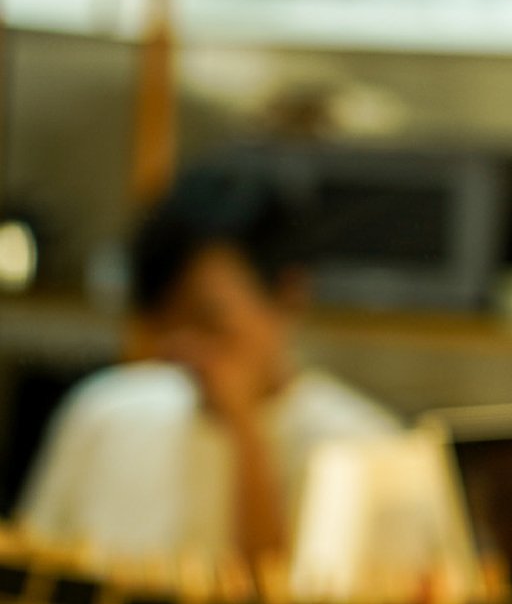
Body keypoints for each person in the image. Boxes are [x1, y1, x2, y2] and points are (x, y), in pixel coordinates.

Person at [13, 165, 399, 570]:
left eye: (208, 322)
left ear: (290, 294)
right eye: (165, 322)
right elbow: (35, 567)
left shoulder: (367, 451)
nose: (181, 346)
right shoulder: (103, 413)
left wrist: (243, 429)